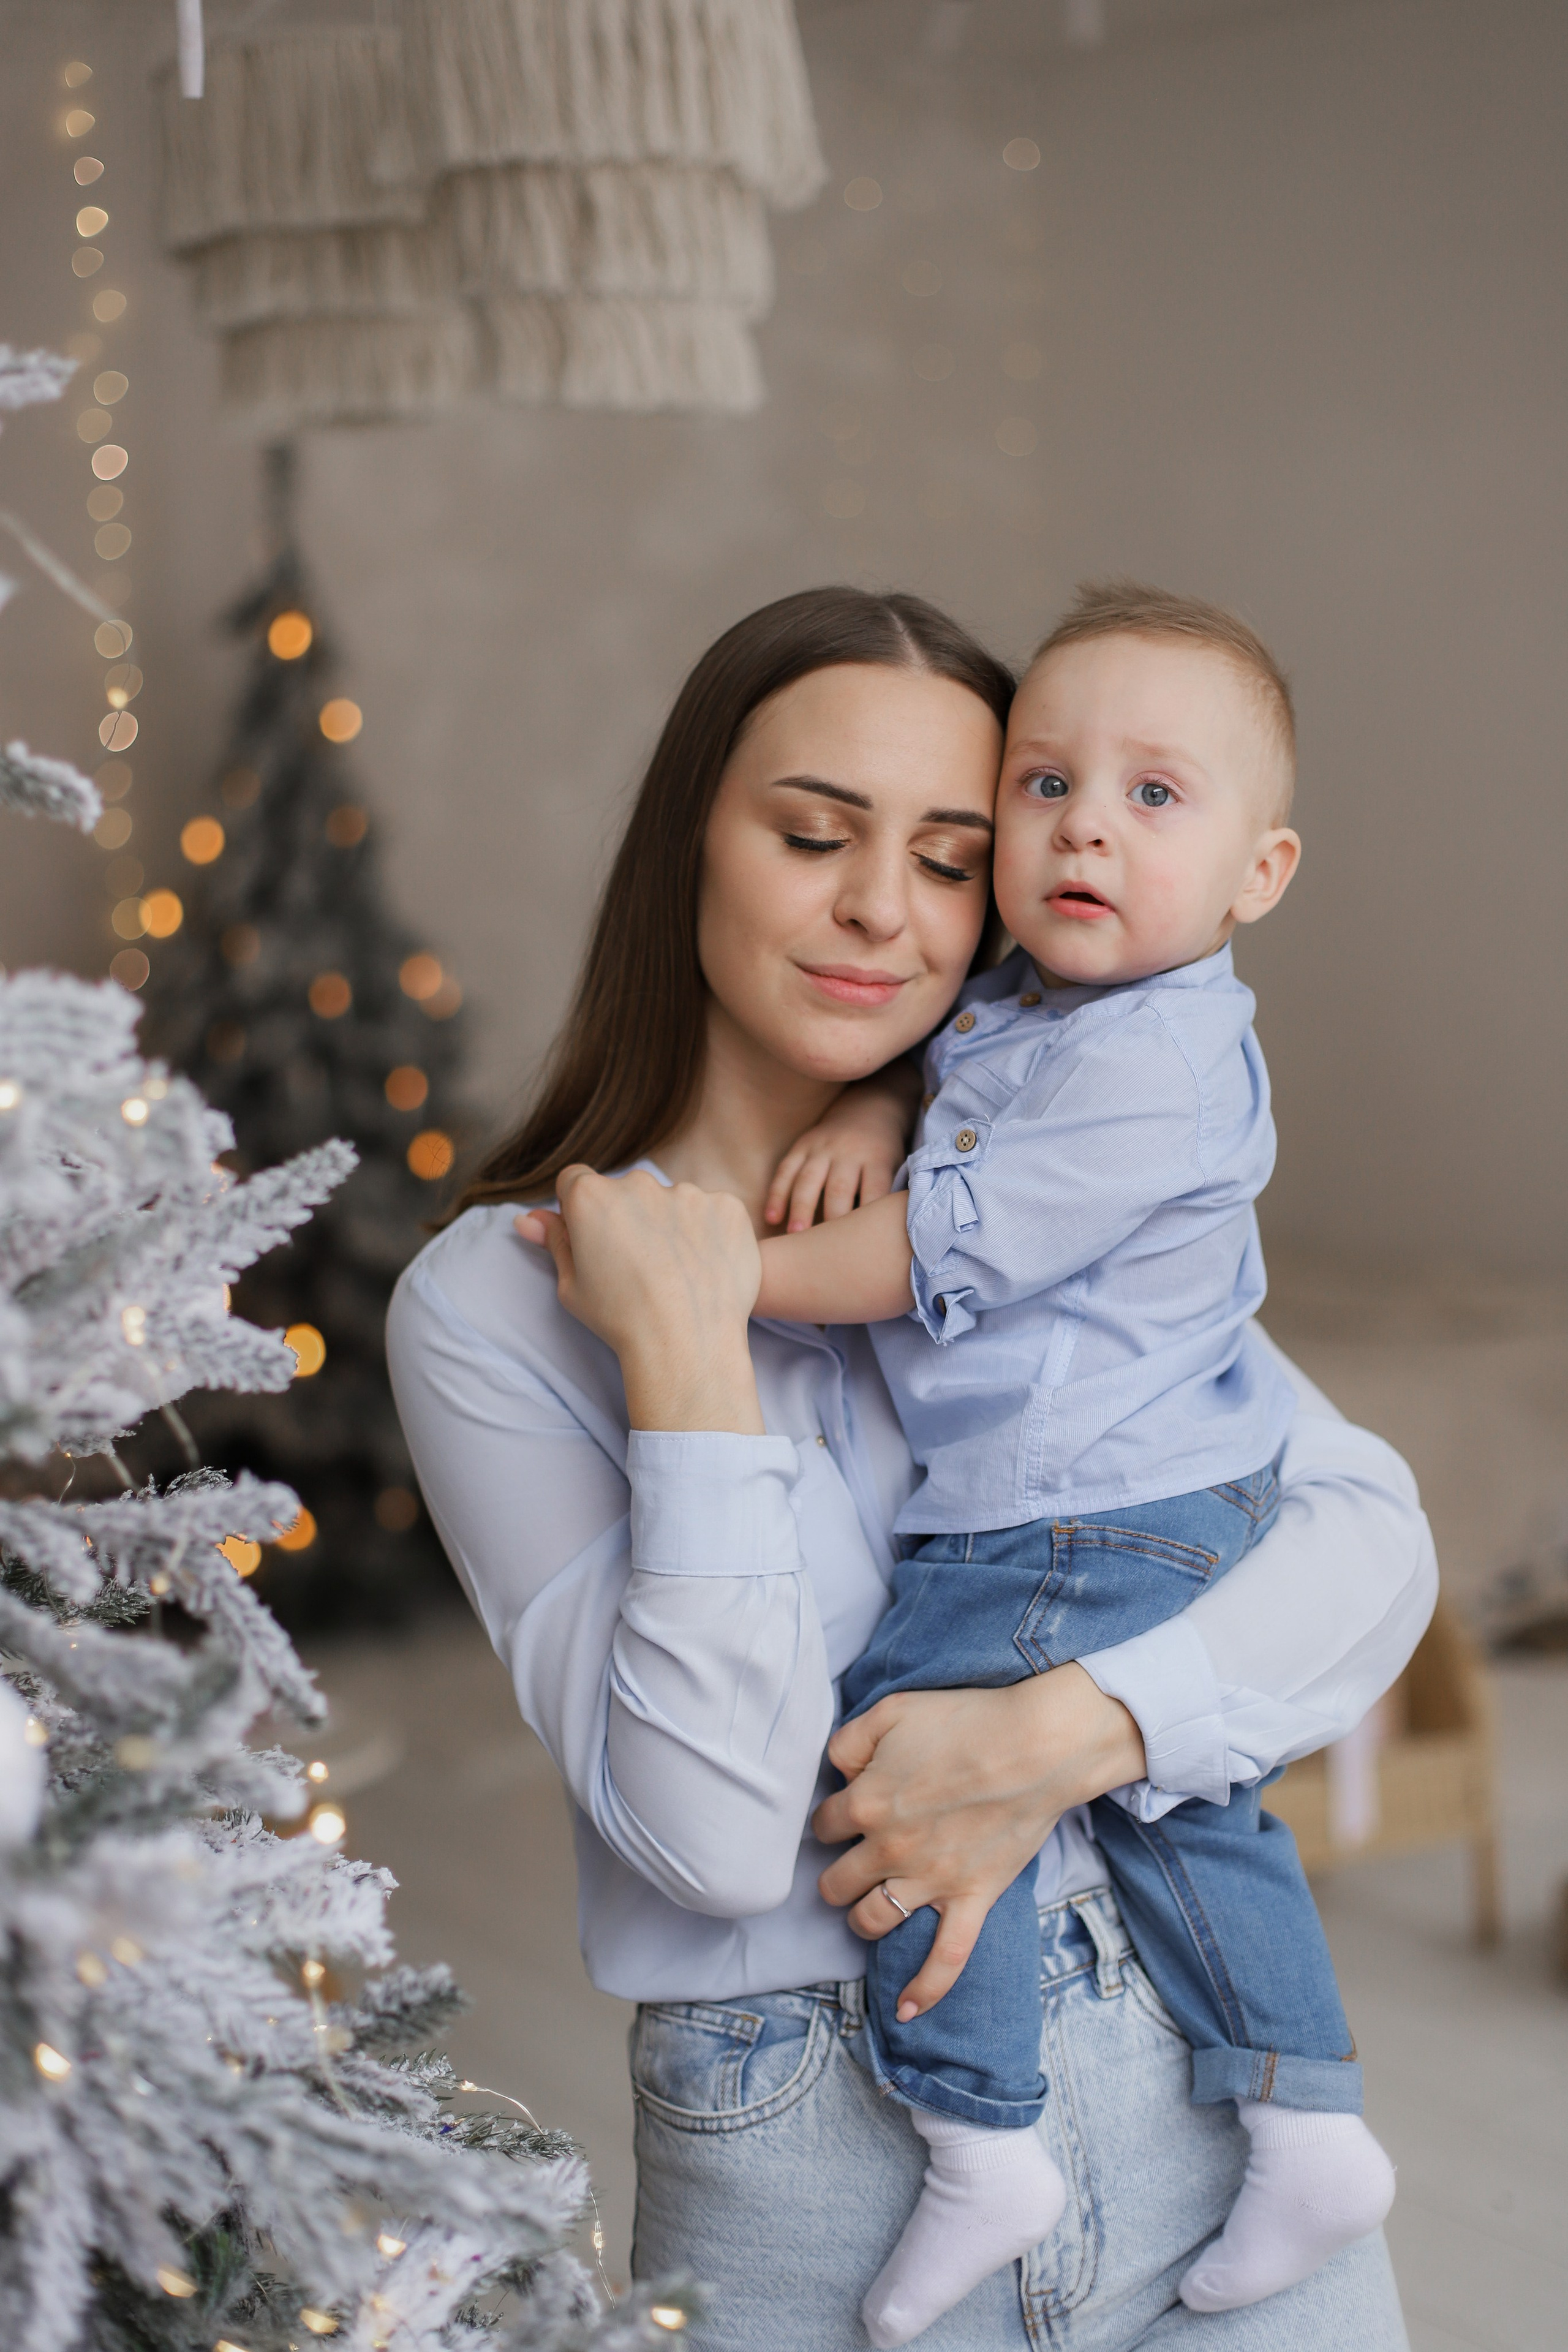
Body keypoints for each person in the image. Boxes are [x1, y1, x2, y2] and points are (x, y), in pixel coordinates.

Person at [386, 587, 1430, 2352]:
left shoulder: (1071, 1173)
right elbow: (720, 1840)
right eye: (813, 835)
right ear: (687, 847)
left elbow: (1365, 1545)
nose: (885, 907)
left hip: (1203, 2095)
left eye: (954, 858)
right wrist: (689, 1357)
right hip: (823, 2166)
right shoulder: (495, 1302)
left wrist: (1056, 1739)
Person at [751, 584, 1394, 2346]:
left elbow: (928, 1249)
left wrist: (714, 1275)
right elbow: (956, 1076)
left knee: (897, 1730)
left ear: (1262, 875)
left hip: (1079, 1508)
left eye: (1155, 797)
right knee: (1187, 1803)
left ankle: (979, 2132)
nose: (1086, 823)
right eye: (1044, 785)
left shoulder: (1164, 1065)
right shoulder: (1048, 1012)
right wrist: (880, 1102)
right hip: (1131, 1493)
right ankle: (1303, 2105)